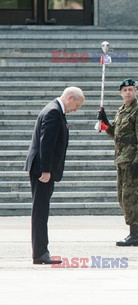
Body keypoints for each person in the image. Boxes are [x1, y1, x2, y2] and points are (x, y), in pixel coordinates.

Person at [24, 87, 85, 264]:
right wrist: (45, 170)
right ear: (70, 97)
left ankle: (41, 251)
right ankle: (40, 253)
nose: (76, 109)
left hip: (43, 169)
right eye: (76, 105)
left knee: (41, 211)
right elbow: (46, 143)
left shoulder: (55, 110)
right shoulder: (53, 112)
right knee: (40, 211)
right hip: (42, 170)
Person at [97, 78, 138, 246]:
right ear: (121, 93)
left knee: (129, 196)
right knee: (122, 197)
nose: (128, 92)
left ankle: (135, 234)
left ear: (136, 91)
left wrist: (137, 161)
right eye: (125, 90)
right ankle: (133, 233)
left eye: (131, 89)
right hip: (121, 159)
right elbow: (117, 134)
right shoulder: (122, 111)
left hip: (131, 160)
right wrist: (105, 122)